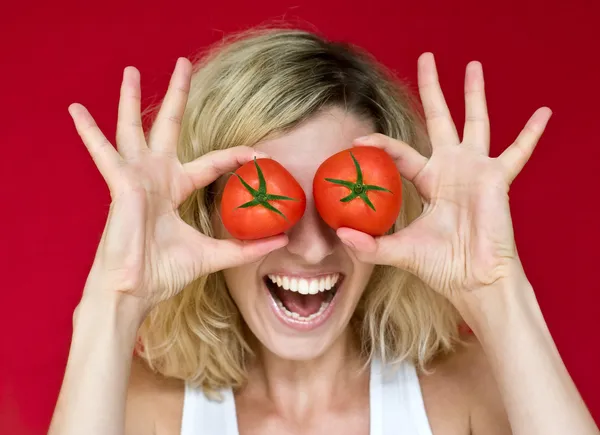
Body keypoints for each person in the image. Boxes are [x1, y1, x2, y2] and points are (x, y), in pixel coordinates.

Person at [48, 27, 599, 435]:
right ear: (206, 213)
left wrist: (499, 296)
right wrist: (113, 301)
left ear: (396, 212)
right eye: (267, 200)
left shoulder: (468, 394)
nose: (311, 248)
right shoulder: (141, 411)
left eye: (350, 203)